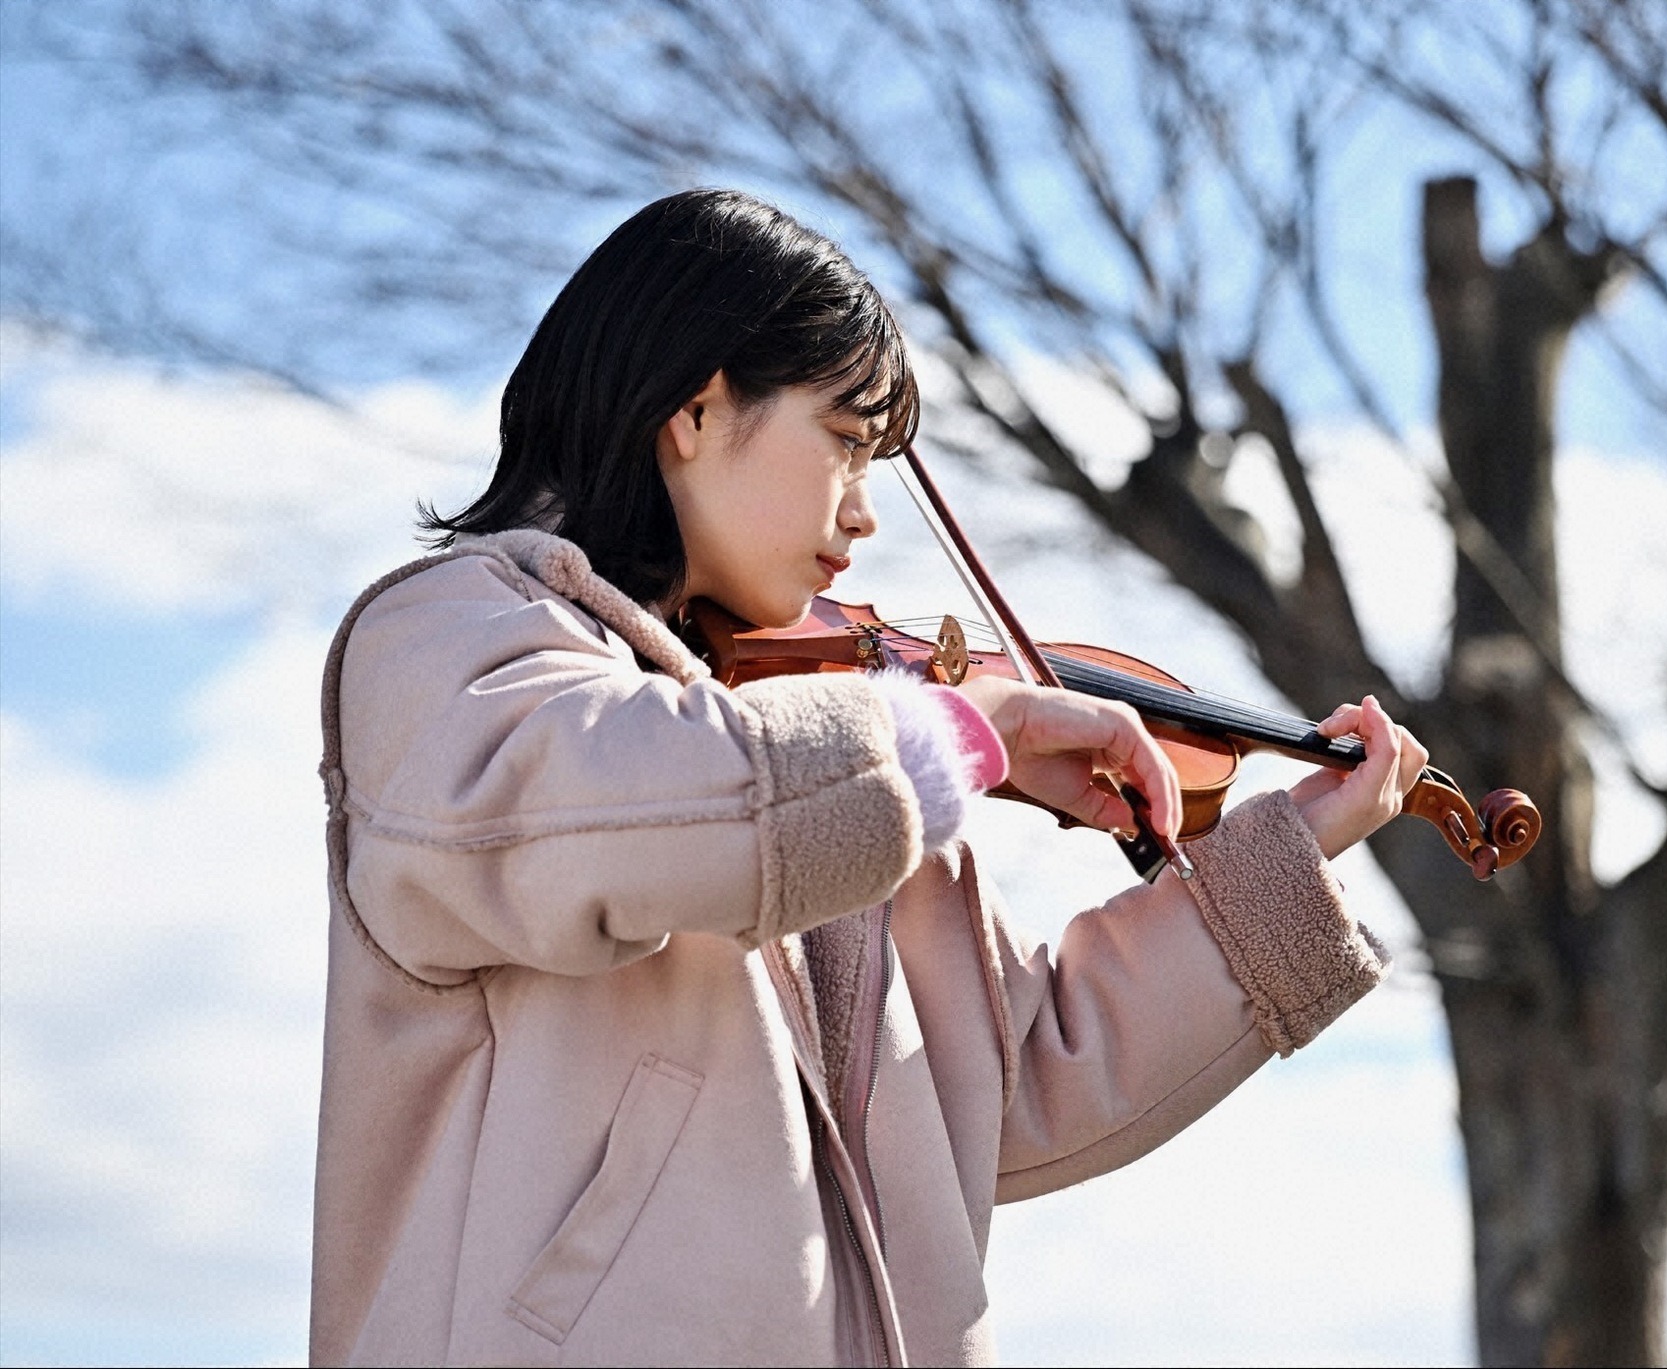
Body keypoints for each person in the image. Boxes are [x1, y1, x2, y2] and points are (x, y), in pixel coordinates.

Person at [310, 188, 1426, 1367]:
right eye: (845, 441)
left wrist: (1288, 852)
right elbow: (637, 806)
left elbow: (1013, 1084)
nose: (863, 514)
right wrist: (949, 736)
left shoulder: (816, 740)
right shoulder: (450, 637)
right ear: (694, 406)